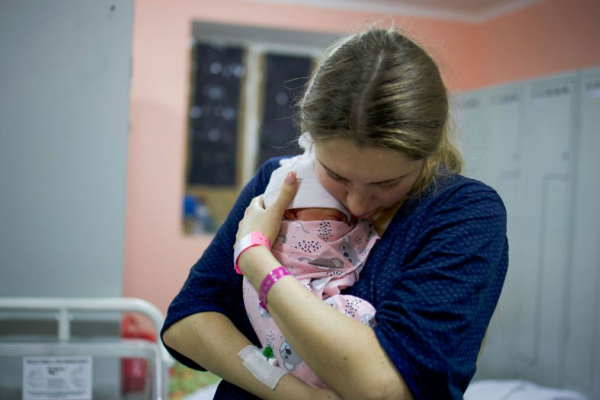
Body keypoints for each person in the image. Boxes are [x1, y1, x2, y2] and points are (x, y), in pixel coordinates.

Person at [162, 27, 508, 400]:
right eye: (337, 176)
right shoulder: (281, 180)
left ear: (430, 148)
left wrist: (256, 258)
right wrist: (290, 391)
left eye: (387, 183)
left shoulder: (464, 214)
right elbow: (186, 322)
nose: (358, 204)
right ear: (310, 139)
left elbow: (385, 389)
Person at [242, 132, 380, 389]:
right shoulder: (286, 235)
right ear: (289, 214)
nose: (354, 213)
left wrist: (251, 253)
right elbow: (188, 316)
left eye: (342, 220)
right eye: (332, 219)